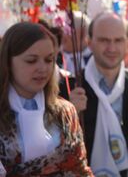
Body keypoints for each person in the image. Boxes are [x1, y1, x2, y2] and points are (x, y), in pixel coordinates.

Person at [0, 22, 92, 176]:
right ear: (7, 62)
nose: (42, 68)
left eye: (49, 60)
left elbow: (81, 169)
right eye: (31, 61)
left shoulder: (65, 112)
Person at [60, 12, 128, 177]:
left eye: (118, 40)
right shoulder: (69, 88)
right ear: (89, 42)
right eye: (104, 40)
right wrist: (68, 114)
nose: (111, 48)